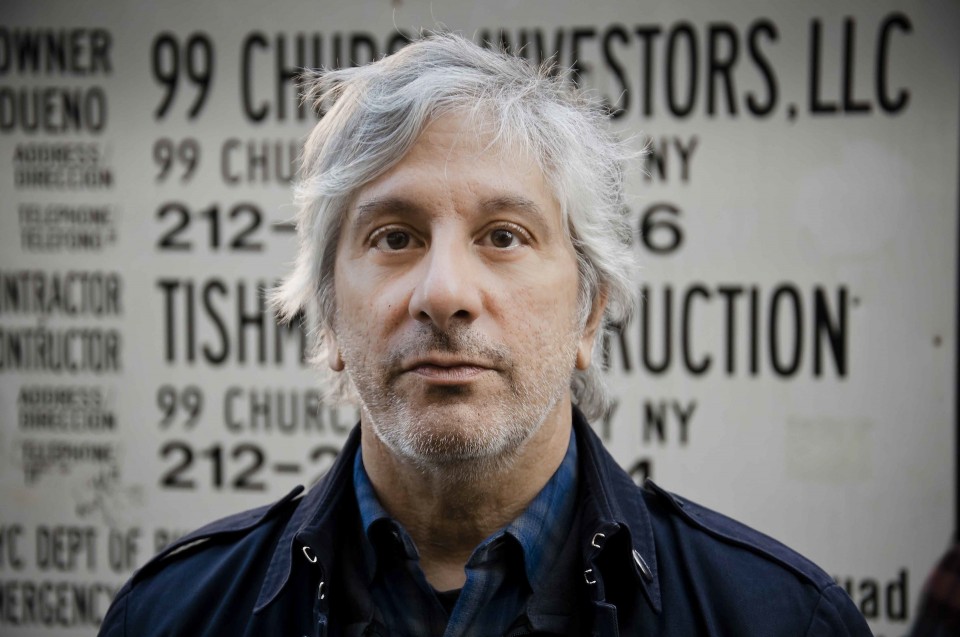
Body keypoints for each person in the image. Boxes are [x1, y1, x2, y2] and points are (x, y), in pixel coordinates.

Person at [99, 33, 873, 636]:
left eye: (503, 236)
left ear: (590, 311)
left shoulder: (781, 619)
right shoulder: (169, 616)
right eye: (395, 237)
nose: (444, 293)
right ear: (329, 315)